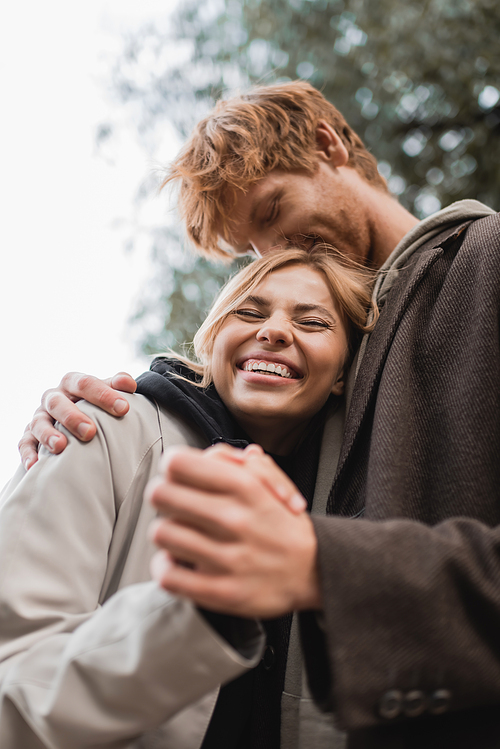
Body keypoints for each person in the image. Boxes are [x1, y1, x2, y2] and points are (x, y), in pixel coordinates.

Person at [18, 80, 500, 748]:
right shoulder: (303, 386)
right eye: (253, 253)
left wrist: (328, 566)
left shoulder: (486, 264)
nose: (278, 253)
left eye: (274, 208)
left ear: (330, 146)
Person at [0, 247, 375, 749]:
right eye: (249, 312)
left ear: (346, 373)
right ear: (213, 340)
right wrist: (197, 621)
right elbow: (14, 677)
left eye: (312, 322)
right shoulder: (96, 429)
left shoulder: (362, 492)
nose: (275, 331)